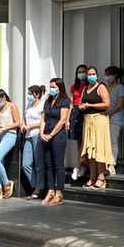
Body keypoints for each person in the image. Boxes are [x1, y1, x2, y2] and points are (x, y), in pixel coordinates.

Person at [80, 66, 114, 189]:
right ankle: (92, 177)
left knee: (99, 149)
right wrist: (82, 106)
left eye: (93, 74)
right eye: (89, 74)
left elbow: (107, 103)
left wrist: (90, 105)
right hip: (88, 121)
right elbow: (81, 101)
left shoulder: (101, 87)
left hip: (99, 119)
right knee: (90, 150)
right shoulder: (85, 88)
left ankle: (101, 178)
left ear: (97, 75)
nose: (91, 76)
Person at [41, 78, 71, 206]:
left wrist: (52, 134)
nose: (51, 89)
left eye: (53, 87)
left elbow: (63, 120)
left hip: (58, 135)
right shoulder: (48, 101)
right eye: (50, 87)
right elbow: (43, 117)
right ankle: (50, 190)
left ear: (59, 87)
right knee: (48, 164)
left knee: (58, 164)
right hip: (46, 134)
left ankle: (59, 193)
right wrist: (42, 133)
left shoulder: (64, 100)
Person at [22, 85, 46, 200]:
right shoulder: (29, 105)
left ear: (36, 94)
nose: (28, 96)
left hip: (37, 134)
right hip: (28, 136)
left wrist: (30, 125)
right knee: (26, 163)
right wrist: (23, 125)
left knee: (39, 163)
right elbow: (25, 118)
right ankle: (35, 184)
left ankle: (39, 188)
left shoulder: (42, 105)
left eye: (30, 94)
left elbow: (43, 121)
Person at [104, 66, 124, 175]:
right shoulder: (104, 87)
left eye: (109, 74)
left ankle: (112, 165)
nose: (107, 77)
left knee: (113, 141)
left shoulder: (120, 87)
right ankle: (105, 164)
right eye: (106, 74)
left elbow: (120, 104)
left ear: (115, 75)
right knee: (105, 142)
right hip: (104, 117)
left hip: (116, 117)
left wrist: (109, 113)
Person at [69, 64, 88, 181]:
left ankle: (85, 164)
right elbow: (71, 103)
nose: (81, 73)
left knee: (86, 139)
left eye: (83, 71)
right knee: (78, 141)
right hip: (76, 111)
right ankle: (81, 164)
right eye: (79, 72)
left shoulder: (89, 85)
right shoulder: (73, 86)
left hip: (86, 110)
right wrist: (68, 118)